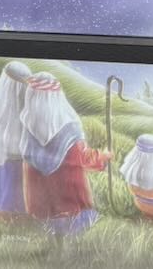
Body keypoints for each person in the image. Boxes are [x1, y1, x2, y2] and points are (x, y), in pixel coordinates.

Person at [18, 71, 111, 236]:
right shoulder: (69, 128)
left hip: (40, 214)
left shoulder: (28, 125)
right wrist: (103, 156)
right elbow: (83, 158)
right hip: (71, 212)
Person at [0, 60, 32, 217]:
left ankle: (7, 211)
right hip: (9, 156)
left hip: (11, 156)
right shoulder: (4, 107)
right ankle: (7, 212)